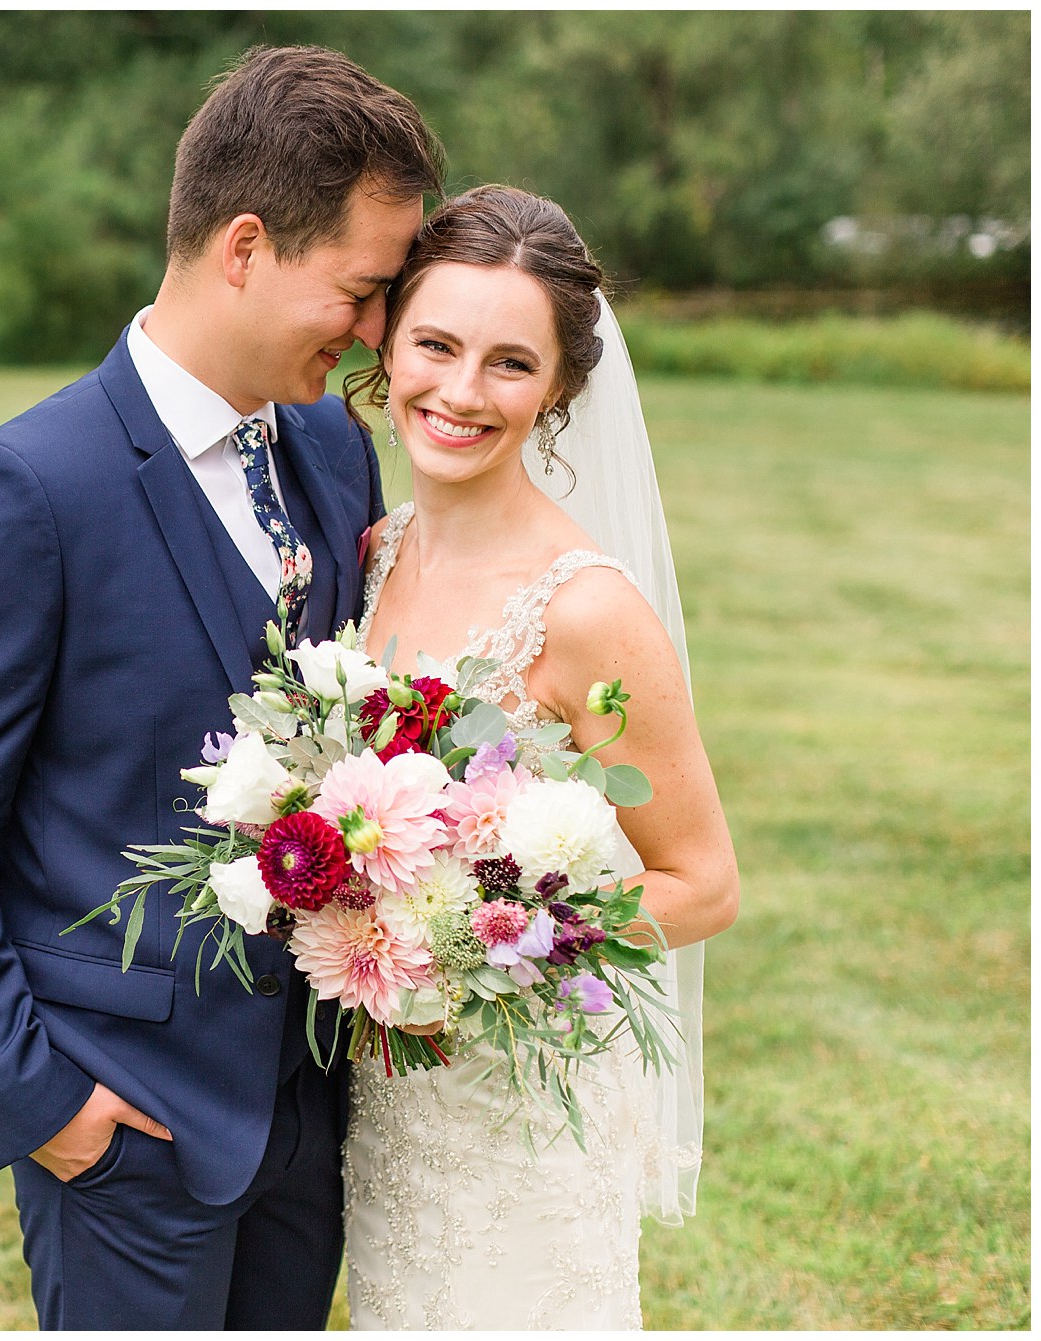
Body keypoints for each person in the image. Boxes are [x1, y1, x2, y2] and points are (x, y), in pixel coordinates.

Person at [0, 46, 441, 1330]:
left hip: (307, 1114)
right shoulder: (27, 489)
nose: (368, 337)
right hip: (120, 1121)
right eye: (357, 292)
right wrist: (45, 1110)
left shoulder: (331, 450)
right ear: (244, 247)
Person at [339, 184, 741, 1329]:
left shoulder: (586, 612)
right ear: (388, 341)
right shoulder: (375, 551)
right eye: (435, 344)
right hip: (389, 1102)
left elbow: (701, 882)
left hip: (521, 1101)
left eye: (509, 364)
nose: (459, 393)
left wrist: (471, 957)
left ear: (560, 386)